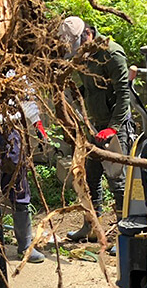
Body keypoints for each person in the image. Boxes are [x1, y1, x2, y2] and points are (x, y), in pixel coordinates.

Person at [57, 16, 132, 246]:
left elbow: (123, 94)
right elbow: (92, 88)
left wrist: (113, 128)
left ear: (87, 34)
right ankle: (90, 227)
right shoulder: (85, 55)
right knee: (89, 179)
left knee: (117, 182)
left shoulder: (112, 54)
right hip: (94, 126)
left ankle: (123, 236)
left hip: (114, 126)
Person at [0, 93, 49, 264]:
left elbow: (26, 95)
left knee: (18, 185)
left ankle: (25, 246)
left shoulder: (12, 77)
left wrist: (37, 123)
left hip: (9, 129)